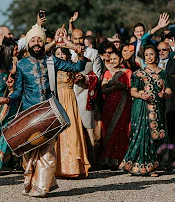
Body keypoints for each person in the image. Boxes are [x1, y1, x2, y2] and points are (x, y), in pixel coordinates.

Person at [0, 25, 87, 197]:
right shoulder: (22, 65)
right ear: (28, 44)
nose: (36, 43)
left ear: (44, 41)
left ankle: (42, 187)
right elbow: (18, 91)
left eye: (39, 39)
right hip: (29, 113)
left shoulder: (52, 60)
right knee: (28, 153)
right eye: (33, 40)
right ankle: (33, 183)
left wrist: (80, 54)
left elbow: (77, 68)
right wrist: (8, 99)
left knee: (47, 152)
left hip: (49, 113)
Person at [119, 45, 172, 176]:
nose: (149, 57)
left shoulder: (162, 73)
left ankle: (151, 167)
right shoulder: (139, 73)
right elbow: (133, 91)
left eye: (151, 54)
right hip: (141, 107)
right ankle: (134, 165)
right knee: (140, 134)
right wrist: (141, 95)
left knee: (153, 137)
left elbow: (169, 91)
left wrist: (164, 93)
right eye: (146, 55)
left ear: (156, 56)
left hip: (157, 108)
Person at [53, 47, 91, 178]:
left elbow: (82, 67)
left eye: (63, 53)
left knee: (72, 130)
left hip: (69, 99)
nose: (60, 56)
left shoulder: (71, 67)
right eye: (57, 54)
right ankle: (56, 168)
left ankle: (74, 167)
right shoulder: (52, 68)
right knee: (57, 132)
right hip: (57, 100)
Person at [70, 28, 103, 167]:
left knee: (88, 128)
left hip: (85, 94)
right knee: (70, 128)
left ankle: (91, 160)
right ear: (71, 39)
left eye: (80, 38)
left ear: (84, 38)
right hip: (68, 94)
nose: (77, 41)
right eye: (75, 38)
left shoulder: (93, 53)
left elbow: (99, 76)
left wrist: (85, 79)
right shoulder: (66, 52)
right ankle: (73, 161)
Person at [100, 51, 132, 170]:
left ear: (121, 60)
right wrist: (115, 87)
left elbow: (131, 87)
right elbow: (103, 90)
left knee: (122, 130)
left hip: (123, 105)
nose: (113, 61)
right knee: (109, 130)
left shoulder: (127, 72)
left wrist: (122, 87)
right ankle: (108, 158)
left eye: (115, 59)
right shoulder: (107, 73)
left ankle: (121, 158)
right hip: (109, 106)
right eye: (111, 59)